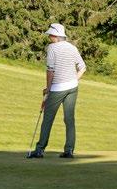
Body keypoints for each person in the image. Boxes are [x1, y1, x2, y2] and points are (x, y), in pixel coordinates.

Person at [28, 23, 86, 159]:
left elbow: (50, 71)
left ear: (55, 36)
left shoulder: (52, 48)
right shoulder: (72, 47)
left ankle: (40, 149)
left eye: (50, 35)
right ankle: (69, 150)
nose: (49, 37)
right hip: (72, 87)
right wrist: (73, 80)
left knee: (48, 118)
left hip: (57, 88)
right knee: (69, 119)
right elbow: (83, 68)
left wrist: (48, 89)